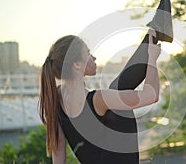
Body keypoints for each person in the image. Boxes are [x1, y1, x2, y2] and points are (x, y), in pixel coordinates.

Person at [38, 28, 161, 163]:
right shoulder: (99, 100)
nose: (94, 57)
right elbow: (151, 95)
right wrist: (152, 59)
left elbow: (58, 150)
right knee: (117, 91)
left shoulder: (54, 101)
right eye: (88, 53)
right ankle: (152, 39)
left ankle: (152, 37)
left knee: (116, 93)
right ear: (77, 64)